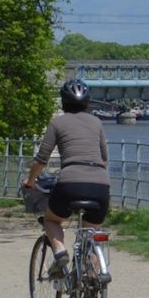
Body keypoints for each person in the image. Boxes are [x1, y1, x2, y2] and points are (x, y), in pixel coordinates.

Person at [22, 79, 110, 277]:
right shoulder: (97, 122)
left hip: (69, 183)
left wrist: (30, 182)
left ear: (63, 102)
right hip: (100, 185)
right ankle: (92, 281)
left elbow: (41, 158)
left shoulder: (57, 122)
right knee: (93, 232)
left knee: (51, 220)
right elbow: (105, 160)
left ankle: (60, 253)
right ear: (87, 103)